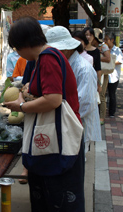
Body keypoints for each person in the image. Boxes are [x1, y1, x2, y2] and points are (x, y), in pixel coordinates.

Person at [0, 16, 85, 212]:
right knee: (47, 192)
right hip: (52, 133)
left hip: (60, 135)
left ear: (23, 45)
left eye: (16, 48)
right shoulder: (42, 58)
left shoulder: (48, 57)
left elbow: (53, 100)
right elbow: (30, 86)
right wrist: (19, 95)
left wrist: (21, 107)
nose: (17, 53)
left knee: (61, 195)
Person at [47, 26, 101, 159]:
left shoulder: (83, 68)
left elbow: (86, 102)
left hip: (76, 124)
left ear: (66, 49)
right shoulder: (65, 63)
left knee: (73, 163)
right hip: (67, 123)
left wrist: (60, 117)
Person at [92, 28, 111, 125]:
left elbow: (108, 58)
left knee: (102, 95)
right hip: (95, 73)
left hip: (103, 74)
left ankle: (102, 117)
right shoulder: (90, 47)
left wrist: (97, 57)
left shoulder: (103, 46)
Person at [104, 32, 123, 117]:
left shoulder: (117, 50)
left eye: (106, 39)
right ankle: (103, 111)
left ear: (112, 40)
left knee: (112, 94)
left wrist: (110, 62)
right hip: (104, 75)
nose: (105, 41)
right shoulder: (104, 49)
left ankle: (111, 112)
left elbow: (119, 61)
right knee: (103, 94)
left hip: (114, 76)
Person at [83, 27, 102, 94]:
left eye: (90, 35)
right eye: (86, 35)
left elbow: (98, 68)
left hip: (91, 79)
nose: (88, 37)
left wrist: (99, 84)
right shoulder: (79, 50)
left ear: (93, 37)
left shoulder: (96, 51)